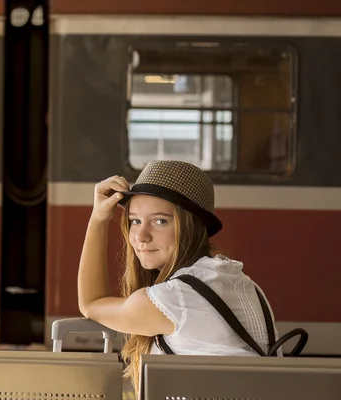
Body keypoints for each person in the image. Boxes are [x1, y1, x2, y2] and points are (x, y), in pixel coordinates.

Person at [77, 160, 281, 394]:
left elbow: (91, 304)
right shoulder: (246, 284)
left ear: (190, 226)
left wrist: (98, 219)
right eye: (135, 221)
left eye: (160, 221)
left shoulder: (176, 298)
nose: (141, 236)